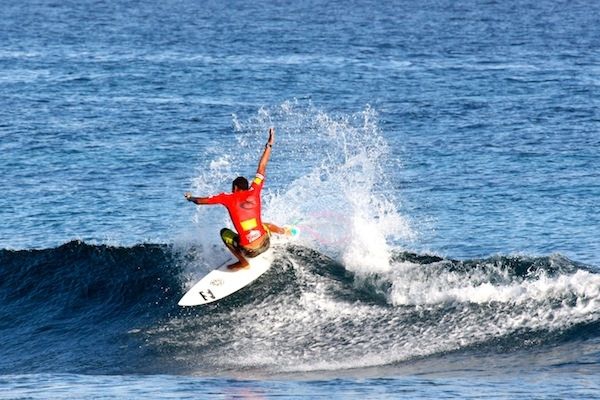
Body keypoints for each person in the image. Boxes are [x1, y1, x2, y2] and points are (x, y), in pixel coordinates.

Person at [184, 128, 288, 270]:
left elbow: (200, 201)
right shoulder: (255, 190)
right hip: (265, 244)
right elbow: (262, 167)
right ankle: (283, 231)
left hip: (249, 252)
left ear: (235, 188)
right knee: (264, 225)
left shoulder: (228, 198)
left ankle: (242, 262)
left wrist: (190, 198)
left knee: (224, 233)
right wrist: (269, 144)